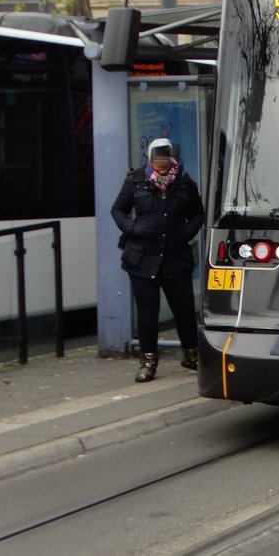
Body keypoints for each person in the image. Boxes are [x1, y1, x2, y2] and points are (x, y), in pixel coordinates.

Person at [110, 138, 204, 382]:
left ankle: (191, 355)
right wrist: (131, 228)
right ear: (150, 158)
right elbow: (117, 209)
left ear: (172, 157)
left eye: (165, 157)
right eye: (157, 158)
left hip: (175, 257)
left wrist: (186, 233)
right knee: (148, 312)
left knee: (183, 309)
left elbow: (198, 214)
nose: (161, 162)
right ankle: (148, 362)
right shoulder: (136, 180)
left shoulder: (184, 183)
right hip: (142, 258)